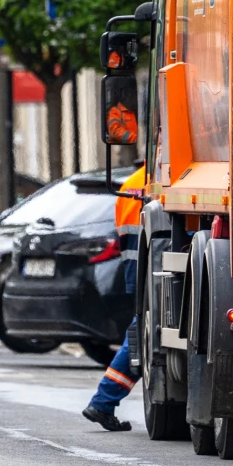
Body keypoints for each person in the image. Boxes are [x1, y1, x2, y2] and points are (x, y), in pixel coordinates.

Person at [82, 163, 146, 432]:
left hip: (139, 270)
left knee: (141, 333)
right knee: (141, 336)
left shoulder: (132, 181)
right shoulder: (162, 180)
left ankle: (103, 402)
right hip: (152, 268)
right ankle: (103, 401)